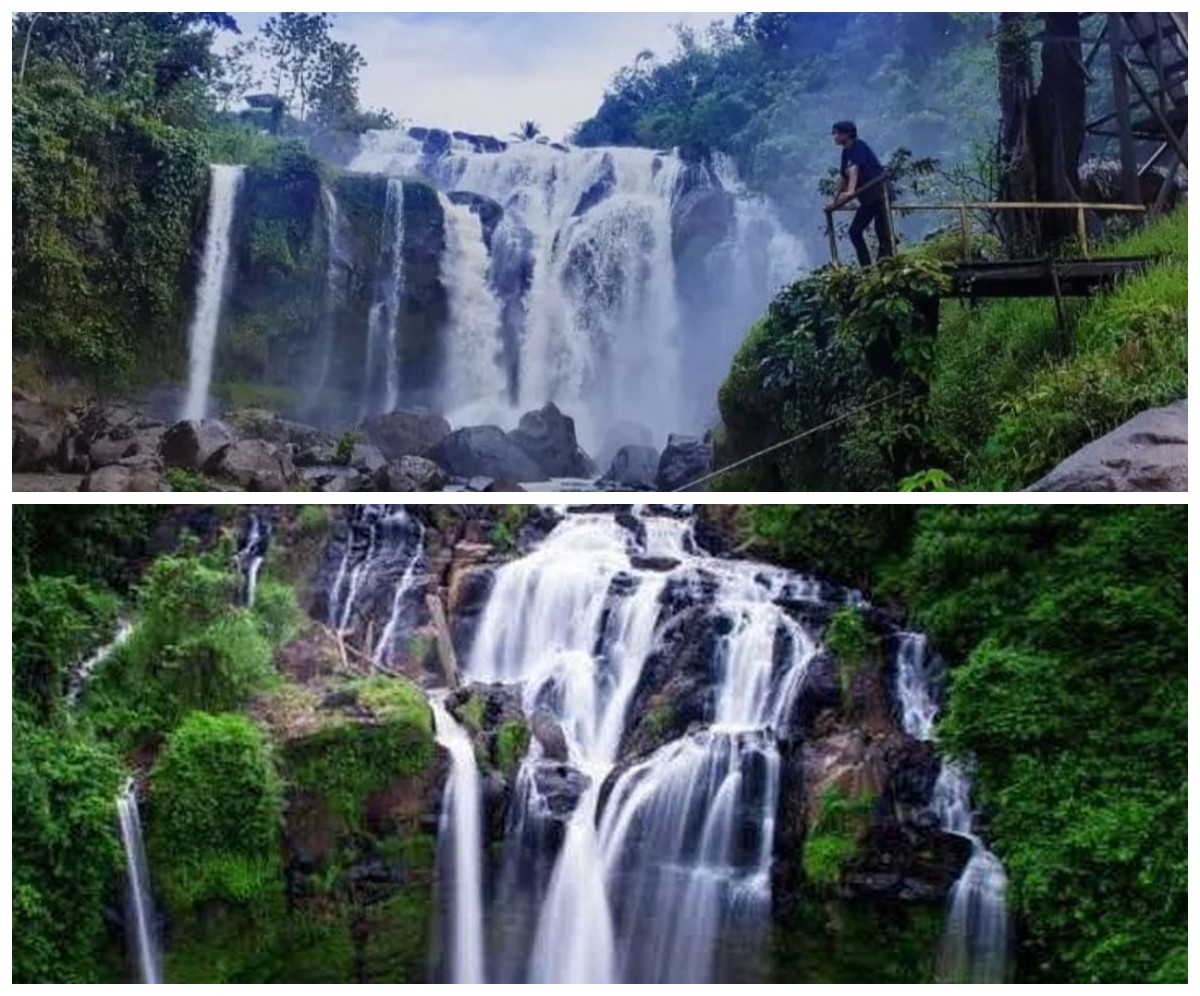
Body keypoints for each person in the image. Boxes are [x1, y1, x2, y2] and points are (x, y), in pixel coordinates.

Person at [826, 120, 894, 267]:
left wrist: (850, 193)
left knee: (882, 231)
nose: (835, 137)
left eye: (837, 133)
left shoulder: (858, 146)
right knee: (855, 232)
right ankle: (867, 267)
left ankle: (886, 264)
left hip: (879, 192)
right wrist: (835, 200)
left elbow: (854, 170)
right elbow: (844, 177)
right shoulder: (846, 152)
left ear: (847, 134)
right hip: (868, 197)